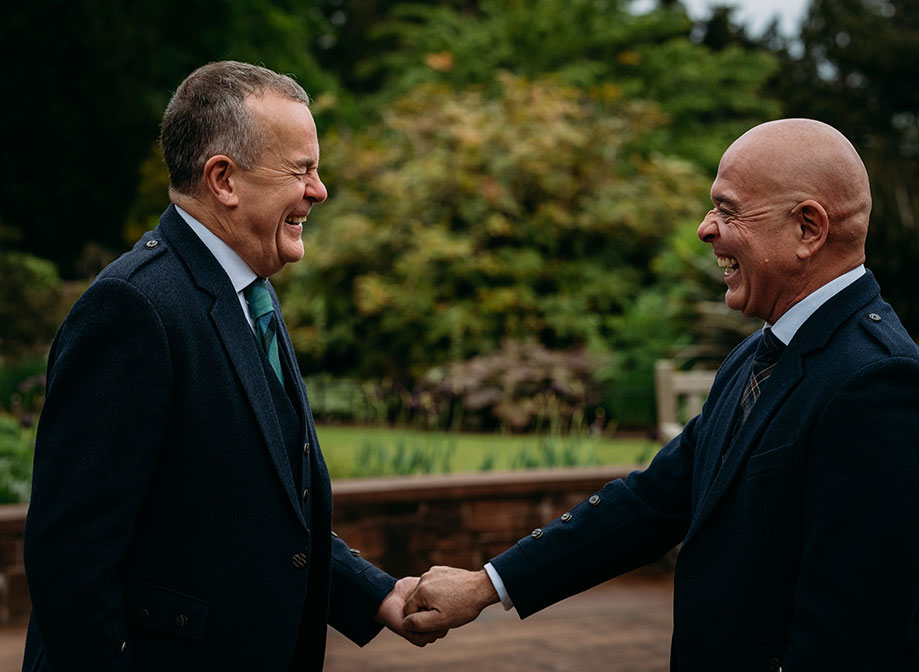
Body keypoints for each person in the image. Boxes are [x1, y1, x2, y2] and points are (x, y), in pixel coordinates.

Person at [402, 119, 919, 670]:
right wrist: (489, 584)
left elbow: (854, 633)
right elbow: (652, 502)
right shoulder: (757, 356)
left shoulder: (877, 381)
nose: (705, 228)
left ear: (808, 229)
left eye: (728, 209)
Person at [22, 61, 443, 672]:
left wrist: (376, 593)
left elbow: (250, 510)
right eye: (301, 170)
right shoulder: (134, 307)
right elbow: (72, 556)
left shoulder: (247, 294)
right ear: (223, 179)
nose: (319, 190)